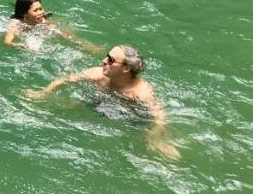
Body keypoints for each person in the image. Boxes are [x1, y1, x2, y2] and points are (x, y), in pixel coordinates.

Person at [25, 44, 180, 159]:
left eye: (111, 60)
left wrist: (155, 137)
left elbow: (160, 118)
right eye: (107, 56)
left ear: (125, 69)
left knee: (145, 135)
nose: (104, 60)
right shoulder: (98, 75)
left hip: (129, 114)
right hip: (102, 102)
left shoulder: (141, 93)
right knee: (70, 104)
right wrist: (43, 93)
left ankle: (164, 147)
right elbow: (65, 80)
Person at [4, 0, 100, 53]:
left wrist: (83, 44)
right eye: (36, 10)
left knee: (63, 31)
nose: (41, 12)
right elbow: (7, 42)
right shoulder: (15, 24)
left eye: (41, 8)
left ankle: (87, 46)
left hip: (37, 26)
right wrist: (24, 46)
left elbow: (63, 33)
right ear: (25, 14)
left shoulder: (42, 20)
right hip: (24, 28)